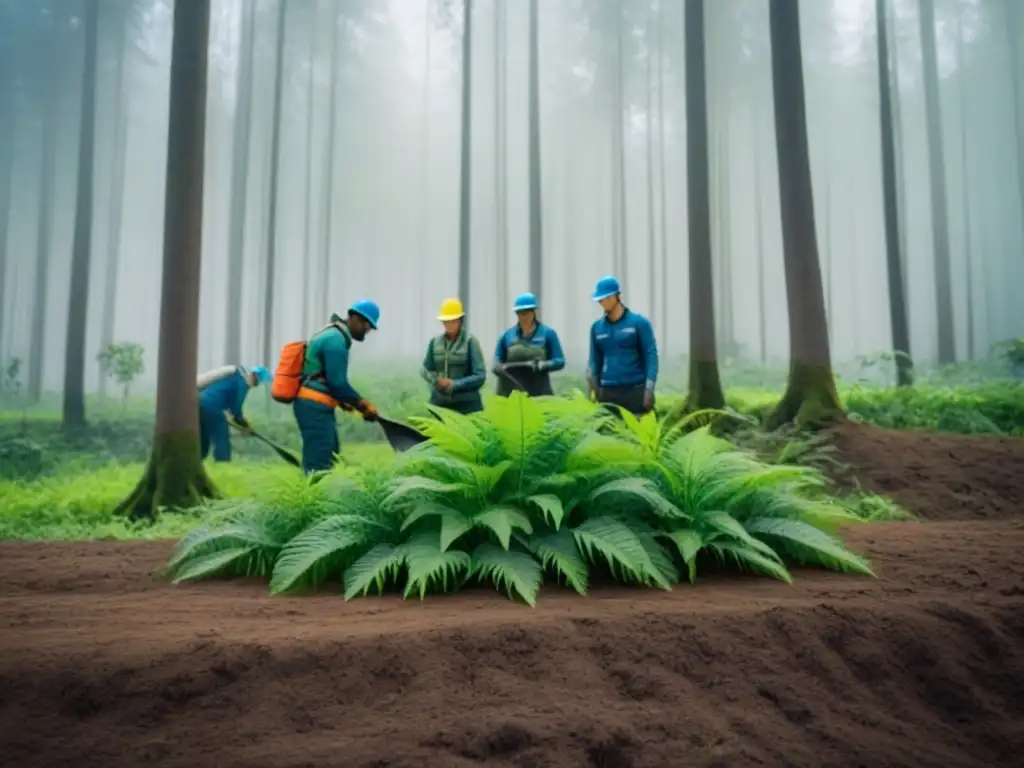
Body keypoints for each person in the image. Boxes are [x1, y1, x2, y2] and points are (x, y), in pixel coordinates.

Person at [292, 300, 381, 474]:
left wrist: (342, 402)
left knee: (329, 454)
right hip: (314, 407)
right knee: (319, 462)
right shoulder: (336, 341)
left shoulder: (333, 334)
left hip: (315, 405)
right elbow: (338, 383)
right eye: (367, 325)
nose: (367, 330)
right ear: (355, 318)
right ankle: (313, 498)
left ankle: (317, 495)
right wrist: (362, 405)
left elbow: (324, 376)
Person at [586, 275, 659, 416]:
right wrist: (593, 387)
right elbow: (594, 360)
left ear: (615, 297)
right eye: (599, 300)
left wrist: (649, 388)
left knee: (634, 435)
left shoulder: (639, 323)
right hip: (607, 392)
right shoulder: (597, 328)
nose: (602, 303)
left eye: (604, 299)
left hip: (635, 390)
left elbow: (651, 356)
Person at [492, 292, 566, 397]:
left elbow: (560, 361)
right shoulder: (507, 336)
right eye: (520, 313)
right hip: (511, 393)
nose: (523, 316)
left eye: (526, 313)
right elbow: (497, 359)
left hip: (539, 392)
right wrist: (498, 366)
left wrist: (543, 365)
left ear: (533, 312)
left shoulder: (547, 334)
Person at [420, 297, 486, 414]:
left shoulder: (471, 342)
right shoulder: (434, 343)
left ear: (460, 320)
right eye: (446, 321)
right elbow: (425, 369)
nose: (449, 324)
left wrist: (455, 384)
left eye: (452, 320)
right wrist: (437, 381)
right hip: (440, 404)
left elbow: (480, 375)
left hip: (466, 405)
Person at [197, 364, 271, 462]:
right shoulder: (242, 383)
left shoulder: (235, 378)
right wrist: (244, 425)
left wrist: (243, 424)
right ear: (255, 376)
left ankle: (197, 461)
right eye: (257, 382)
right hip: (212, 406)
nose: (256, 385)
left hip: (200, 402)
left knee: (204, 436)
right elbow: (236, 410)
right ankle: (222, 464)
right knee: (221, 436)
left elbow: (231, 407)